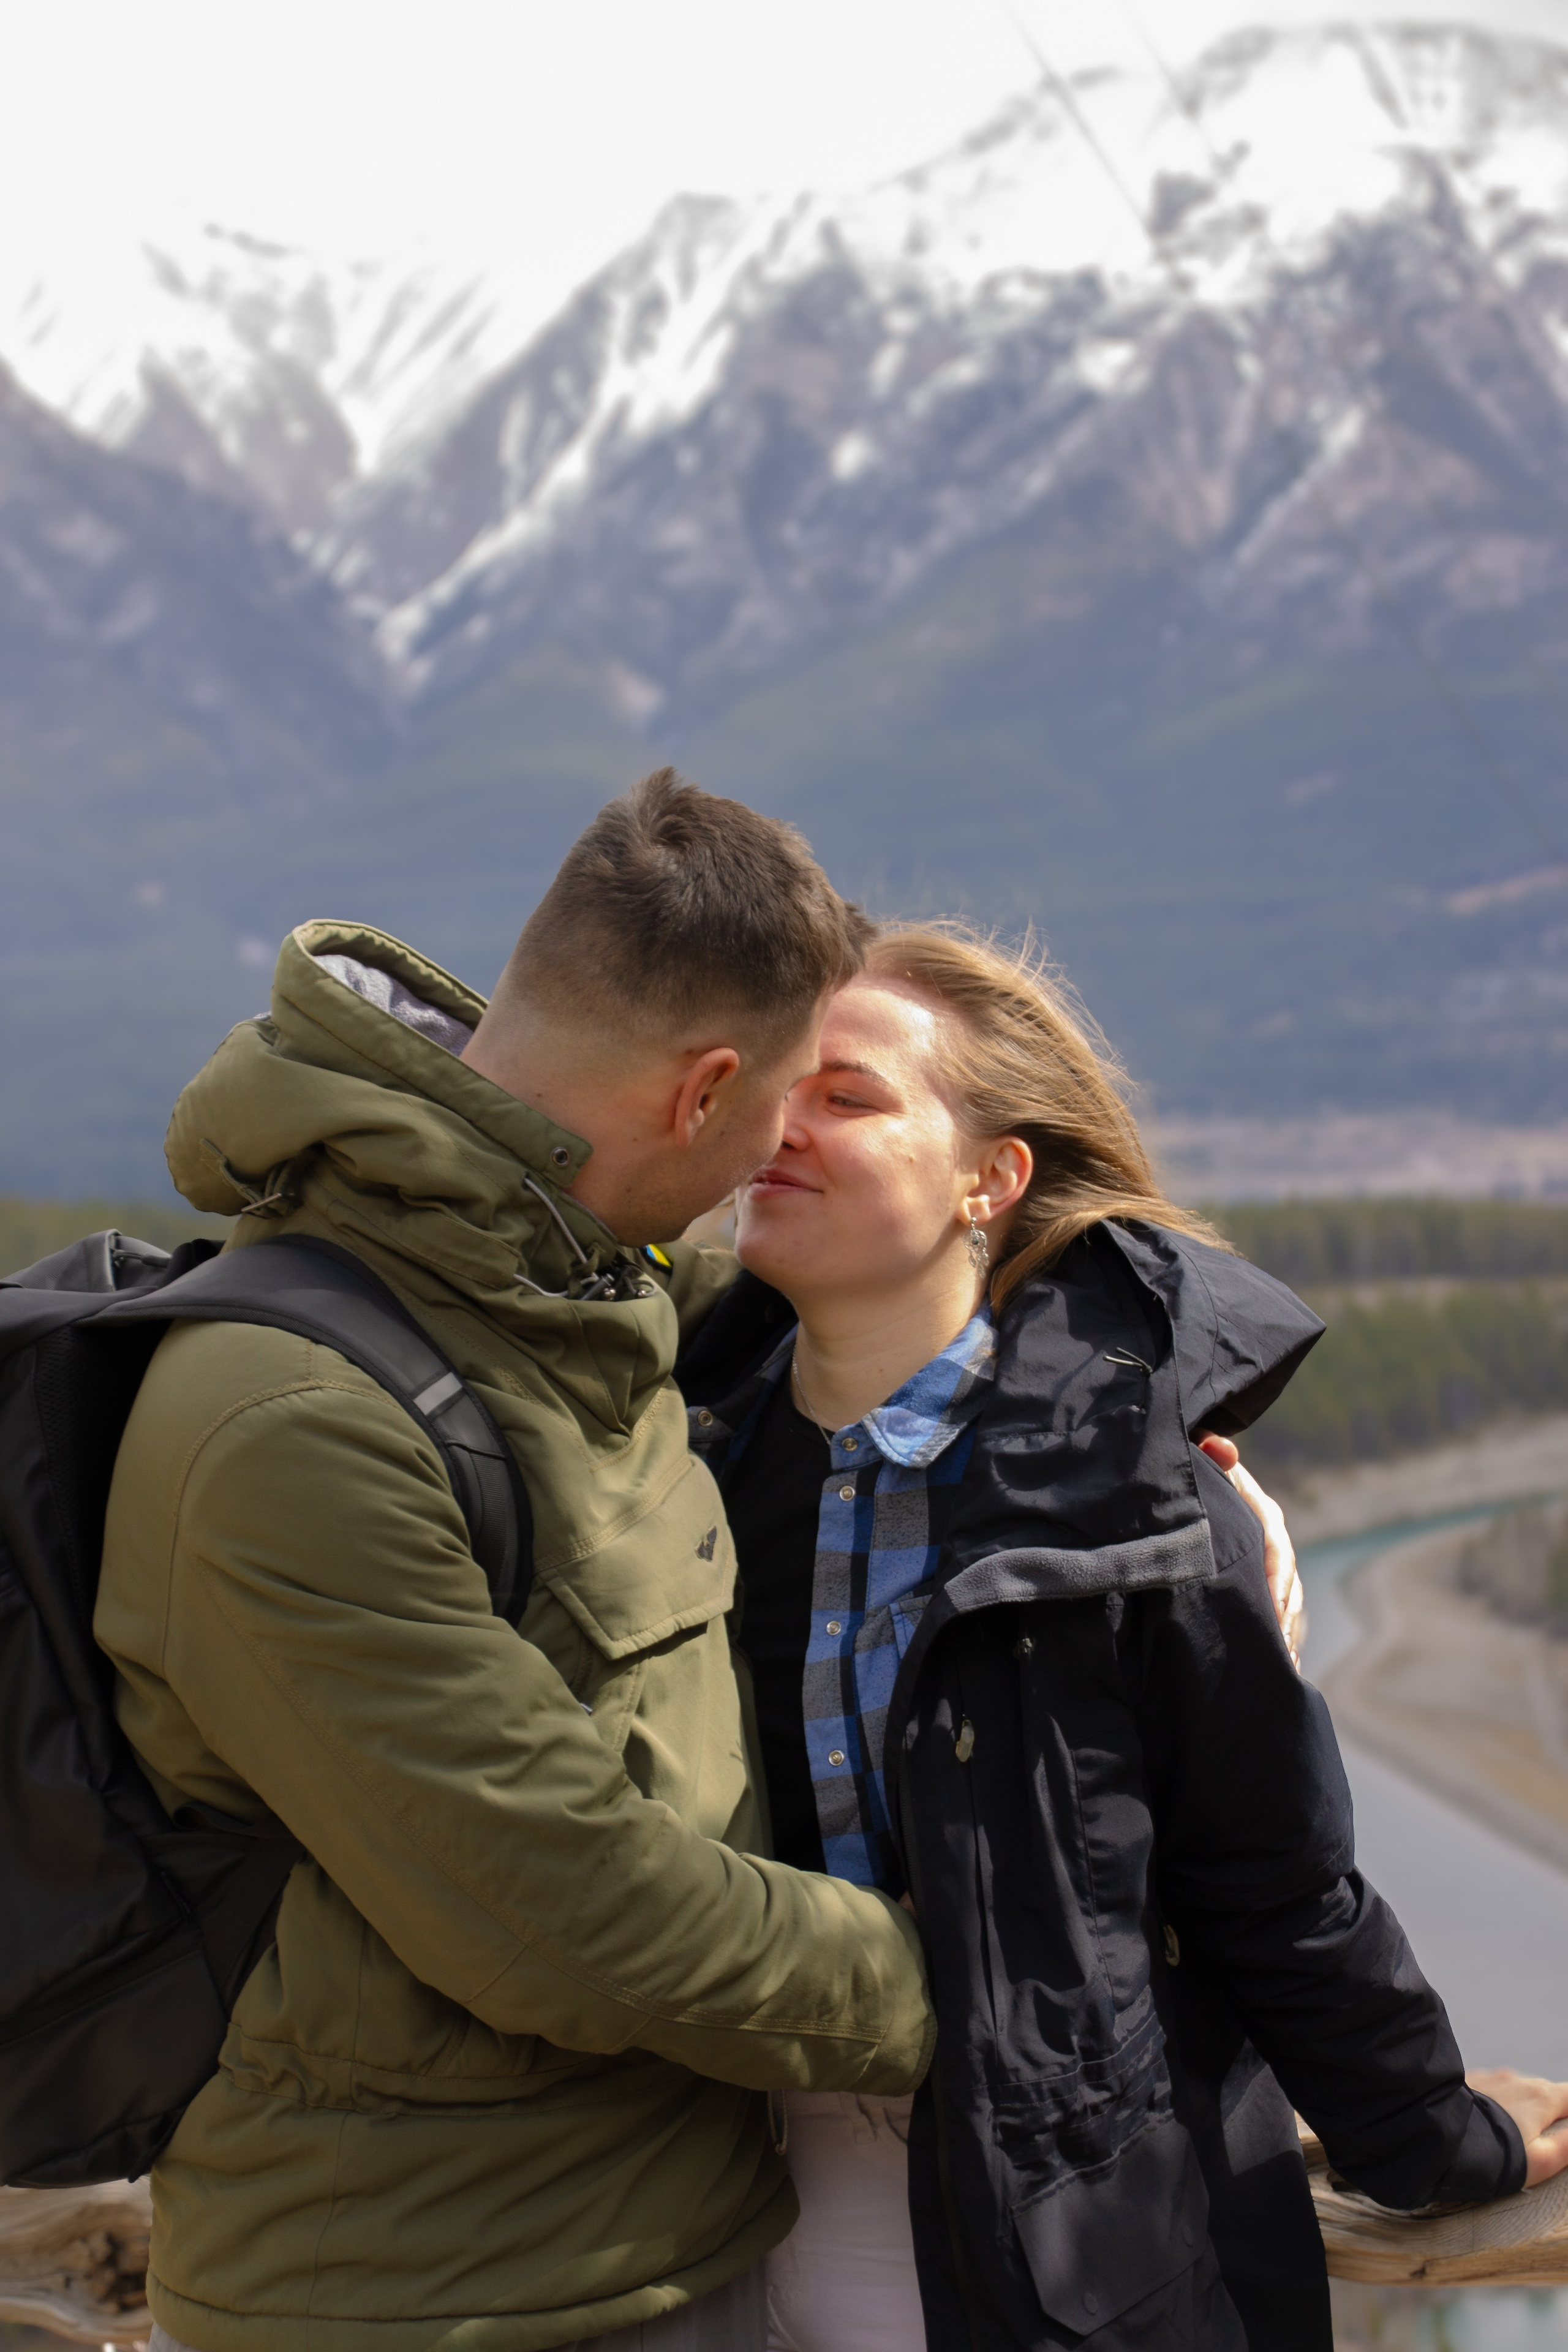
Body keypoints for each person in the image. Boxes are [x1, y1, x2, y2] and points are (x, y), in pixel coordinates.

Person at [94, 774, 937, 2352]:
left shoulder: (564, 1293)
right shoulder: (291, 1425)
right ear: (700, 1096)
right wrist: (974, 1975)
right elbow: (574, 1917)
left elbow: (865, 1334)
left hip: (660, 2245)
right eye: (782, 1102)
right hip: (430, 2300)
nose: (782, 1150)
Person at [676, 923, 1568, 2352]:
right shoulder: (682, 1470)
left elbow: (1274, 1890)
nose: (780, 1126)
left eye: (846, 1096)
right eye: (775, 1086)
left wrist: (1430, 2142)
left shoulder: (1140, 1501)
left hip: (1065, 2249)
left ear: (992, 1176)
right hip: (730, 2227)